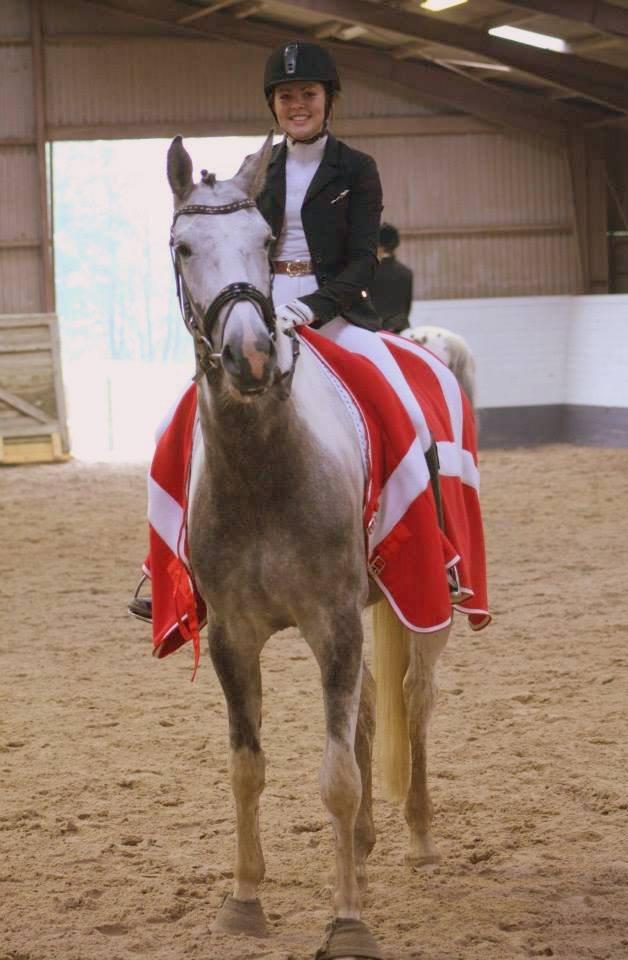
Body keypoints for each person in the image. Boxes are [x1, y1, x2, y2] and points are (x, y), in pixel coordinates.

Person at [129, 40, 470, 624]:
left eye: (308, 94)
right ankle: (173, 566)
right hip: (257, 311)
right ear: (274, 105)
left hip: (335, 314)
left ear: (327, 99)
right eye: (286, 96)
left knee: (409, 414)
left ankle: (437, 554)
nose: (297, 105)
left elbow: (364, 261)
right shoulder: (258, 173)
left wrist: (311, 308)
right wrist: (262, 307)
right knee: (177, 421)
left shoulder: (356, 169)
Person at [368, 222, 414, 333]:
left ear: (379, 246)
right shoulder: (406, 272)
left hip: (375, 330)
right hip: (400, 330)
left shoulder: (367, 272)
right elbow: (406, 307)